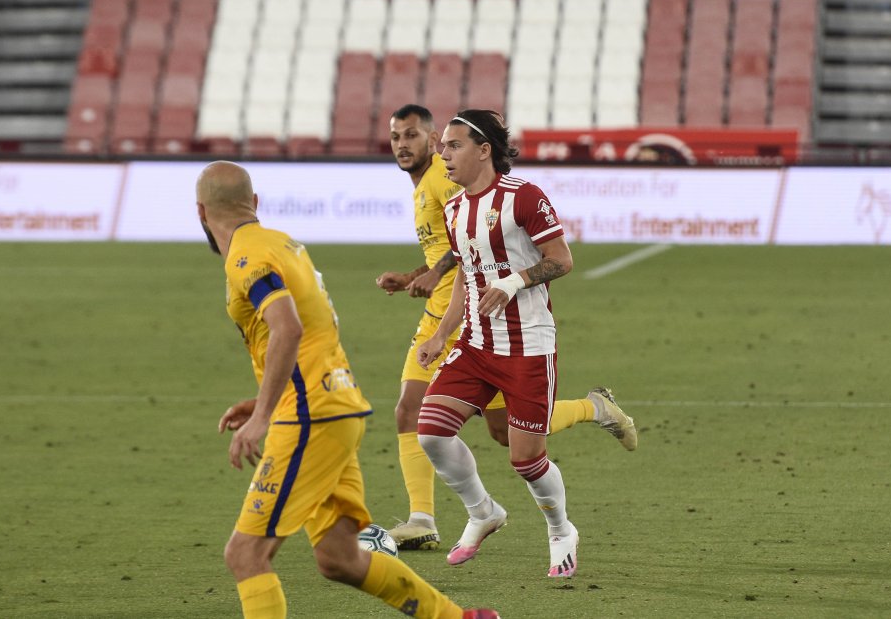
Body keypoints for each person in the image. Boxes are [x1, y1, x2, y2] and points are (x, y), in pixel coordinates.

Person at [198, 161, 497, 619]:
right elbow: (312, 331)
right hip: (337, 408)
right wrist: (264, 399)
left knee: (246, 555)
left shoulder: (246, 257)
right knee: (341, 559)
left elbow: (288, 329)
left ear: (201, 212)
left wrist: (262, 417)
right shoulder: (281, 242)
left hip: (309, 416)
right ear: (254, 204)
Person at [378, 104, 637, 552]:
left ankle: (593, 413)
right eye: (397, 137)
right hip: (465, 329)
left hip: (519, 335)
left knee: (515, 441)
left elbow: (557, 258)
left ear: (481, 149)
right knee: (424, 419)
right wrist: (433, 313)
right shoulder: (451, 200)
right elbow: (463, 259)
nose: (437, 154)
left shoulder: (506, 192)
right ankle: (442, 514)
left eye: (426, 139)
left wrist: (511, 281)